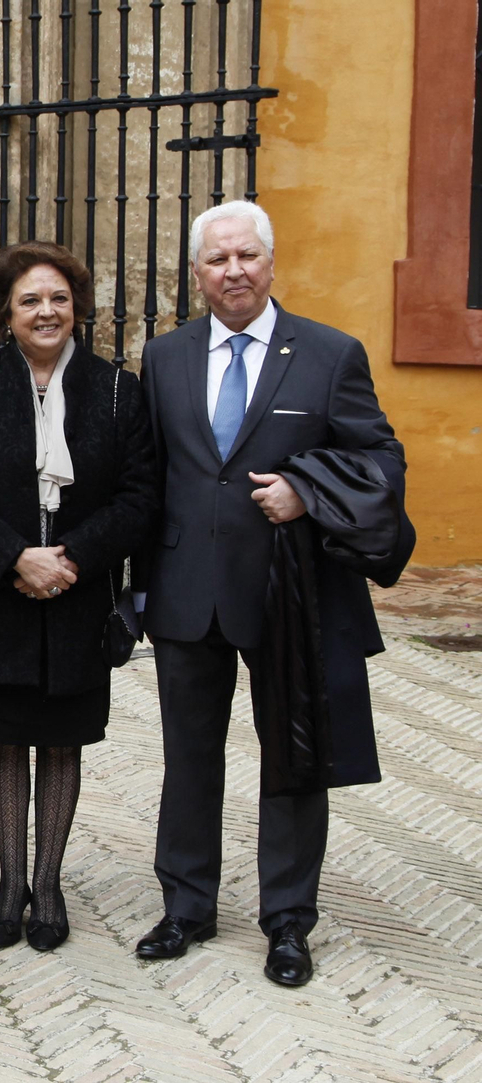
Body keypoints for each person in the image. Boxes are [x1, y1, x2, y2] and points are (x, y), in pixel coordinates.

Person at [132, 199, 406, 987]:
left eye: (247, 255)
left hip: (292, 593)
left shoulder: (329, 354)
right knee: (188, 756)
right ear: (196, 273)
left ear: (272, 262)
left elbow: (382, 461)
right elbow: (149, 476)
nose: (234, 271)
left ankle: (287, 920)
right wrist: (134, 587)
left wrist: (305, 491)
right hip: (188, 590)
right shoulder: (166, 357)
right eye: (217, 259)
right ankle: (186, 905)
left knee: (293, 756)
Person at [0, 242, 157, 952]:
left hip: (78, 599)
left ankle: (49, 885)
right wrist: (15, 558)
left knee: (62, 742)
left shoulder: (117, 391)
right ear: (5, 313)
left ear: (78, 307)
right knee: (4, 738)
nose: (46, 311)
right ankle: (9, 884)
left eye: (59, 298)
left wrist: (74, 558)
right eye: (29, 300)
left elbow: (140, 495)